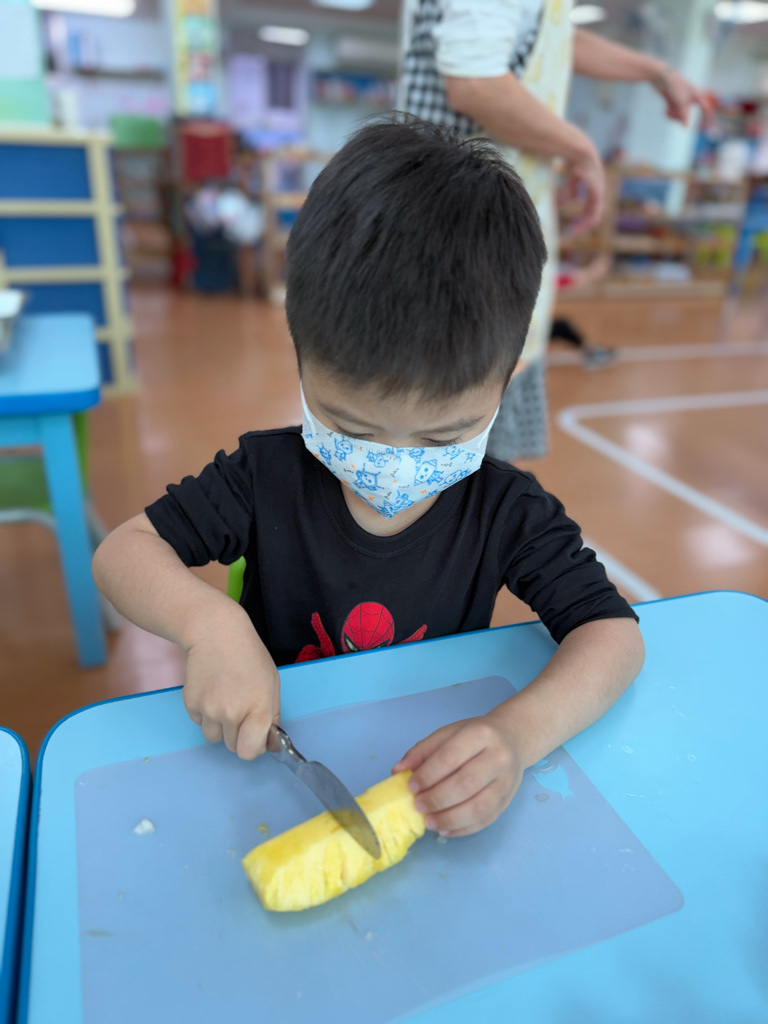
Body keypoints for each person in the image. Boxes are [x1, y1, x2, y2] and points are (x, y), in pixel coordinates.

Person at [93, 119, 644, 839]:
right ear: (301, 357)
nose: (393, 461)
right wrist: (210, 625)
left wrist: (516, 735)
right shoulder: (266, 476)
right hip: (268, 764)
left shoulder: (506, 510)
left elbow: (612, 635)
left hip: (419, 765)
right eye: (350, 427)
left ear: (506, 379)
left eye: (443, 435)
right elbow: (123, 552)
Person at [399, 0, 710, 460]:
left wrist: (656, 72)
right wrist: (580, 149)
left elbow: (555, 36)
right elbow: (474, 83)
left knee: (476, 435)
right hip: (458, 226)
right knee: (443, 430)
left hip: (491, 225)